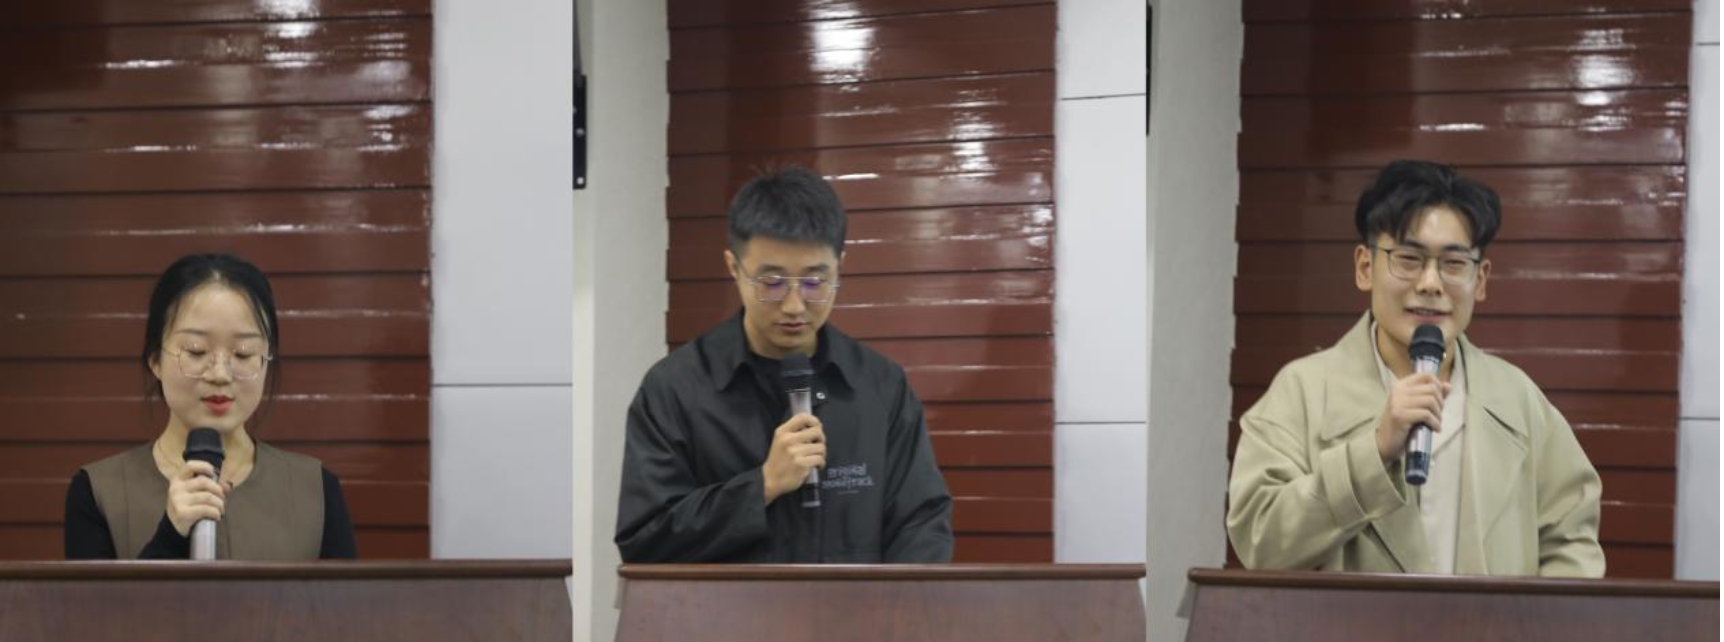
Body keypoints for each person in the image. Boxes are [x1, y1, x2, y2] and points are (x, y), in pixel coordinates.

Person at [1226, 159, 1605, 576]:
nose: (1430, 283)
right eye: (1408, 259)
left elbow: (1572, 543)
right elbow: (1259, 542)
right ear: (1365, 268)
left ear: (1480, 280)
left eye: (1454, 263)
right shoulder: (1302, 391)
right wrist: (1373, 452)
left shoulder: (1519, 400)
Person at [615, 166, 953, 563]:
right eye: (772, 283)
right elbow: (644, 542)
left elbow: (922, 527)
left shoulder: (880, 386)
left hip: (856, 606)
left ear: (840, 266)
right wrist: (761, 486)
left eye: (815, 282)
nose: (794, 305)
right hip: (725, 607)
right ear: (733, 268)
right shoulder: (675, 389)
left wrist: (885, 604)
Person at [64, 254, 357, 560]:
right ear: (155, 360)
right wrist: (170, 535)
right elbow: (97, 595)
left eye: (243, 353)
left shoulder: (316, 490)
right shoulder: (99, 491)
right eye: (196, 351)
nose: (220, 374)